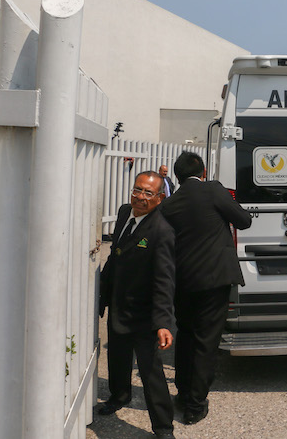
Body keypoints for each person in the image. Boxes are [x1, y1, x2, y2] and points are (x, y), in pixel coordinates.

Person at [159, 151, 252, 425]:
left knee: (186, 335)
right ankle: (195, 405)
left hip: (183, 281)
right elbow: (244, 220)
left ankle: (183, 393)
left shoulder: (169, 204)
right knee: (206, 342)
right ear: (204, 171)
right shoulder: (213, 190)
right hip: (215, 280)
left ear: (176, 176)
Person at [98, 171, 176, 439]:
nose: (140, 197)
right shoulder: (123, 213)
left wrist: (163, 322)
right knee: (117, 356)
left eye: (147, 193)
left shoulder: (161, 231)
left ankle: (163, 427)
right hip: (119, 301)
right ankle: (119, 396)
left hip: (144, 313)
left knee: (150, 371)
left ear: (160, 198)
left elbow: (164, 281)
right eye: (137, 190)